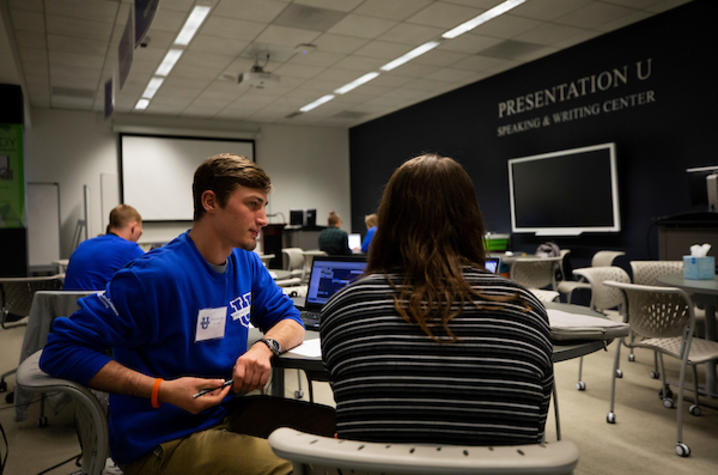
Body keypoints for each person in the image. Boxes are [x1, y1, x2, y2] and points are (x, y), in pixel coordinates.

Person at [40, 154, 305, 474]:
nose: (263, 218)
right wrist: (160, 390)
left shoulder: (244, 262)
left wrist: (265, 347)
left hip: (223, 414)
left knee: (332, 439)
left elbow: (291, 319)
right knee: (294, 468)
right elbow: (61, 349)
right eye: (253, 204)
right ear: (210, 202)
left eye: (264, 205)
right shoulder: (154, 276)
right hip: (162, 441)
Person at [320, 154, 553, 446]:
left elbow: (351, 407)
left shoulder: (344, 309)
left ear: (388, 221)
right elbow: (535, 428)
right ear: (472, 220)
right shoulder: (525, 310)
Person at [63, 204, 144, 290]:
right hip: (95, 303)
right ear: (133, 228)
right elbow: (153, 278)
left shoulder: (84, 245)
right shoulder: (130, 249)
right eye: (140, 232)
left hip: (71, 303)